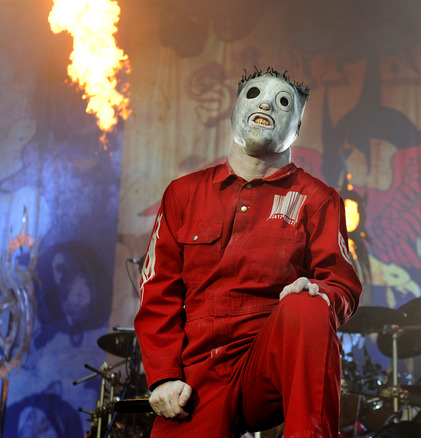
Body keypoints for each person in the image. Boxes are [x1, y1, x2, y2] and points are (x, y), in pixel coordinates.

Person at [134, 67, 362, 438]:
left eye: (283, 102)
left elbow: (342, 285)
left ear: (297, 128)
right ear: (235, 110)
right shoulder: (183, 194)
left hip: (268, 364)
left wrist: (318, 292)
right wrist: (163, 377)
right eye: (255, 94)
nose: (268, 103)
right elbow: (158, 293)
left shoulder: (319, 200)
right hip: (198, 375)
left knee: (308, 304)